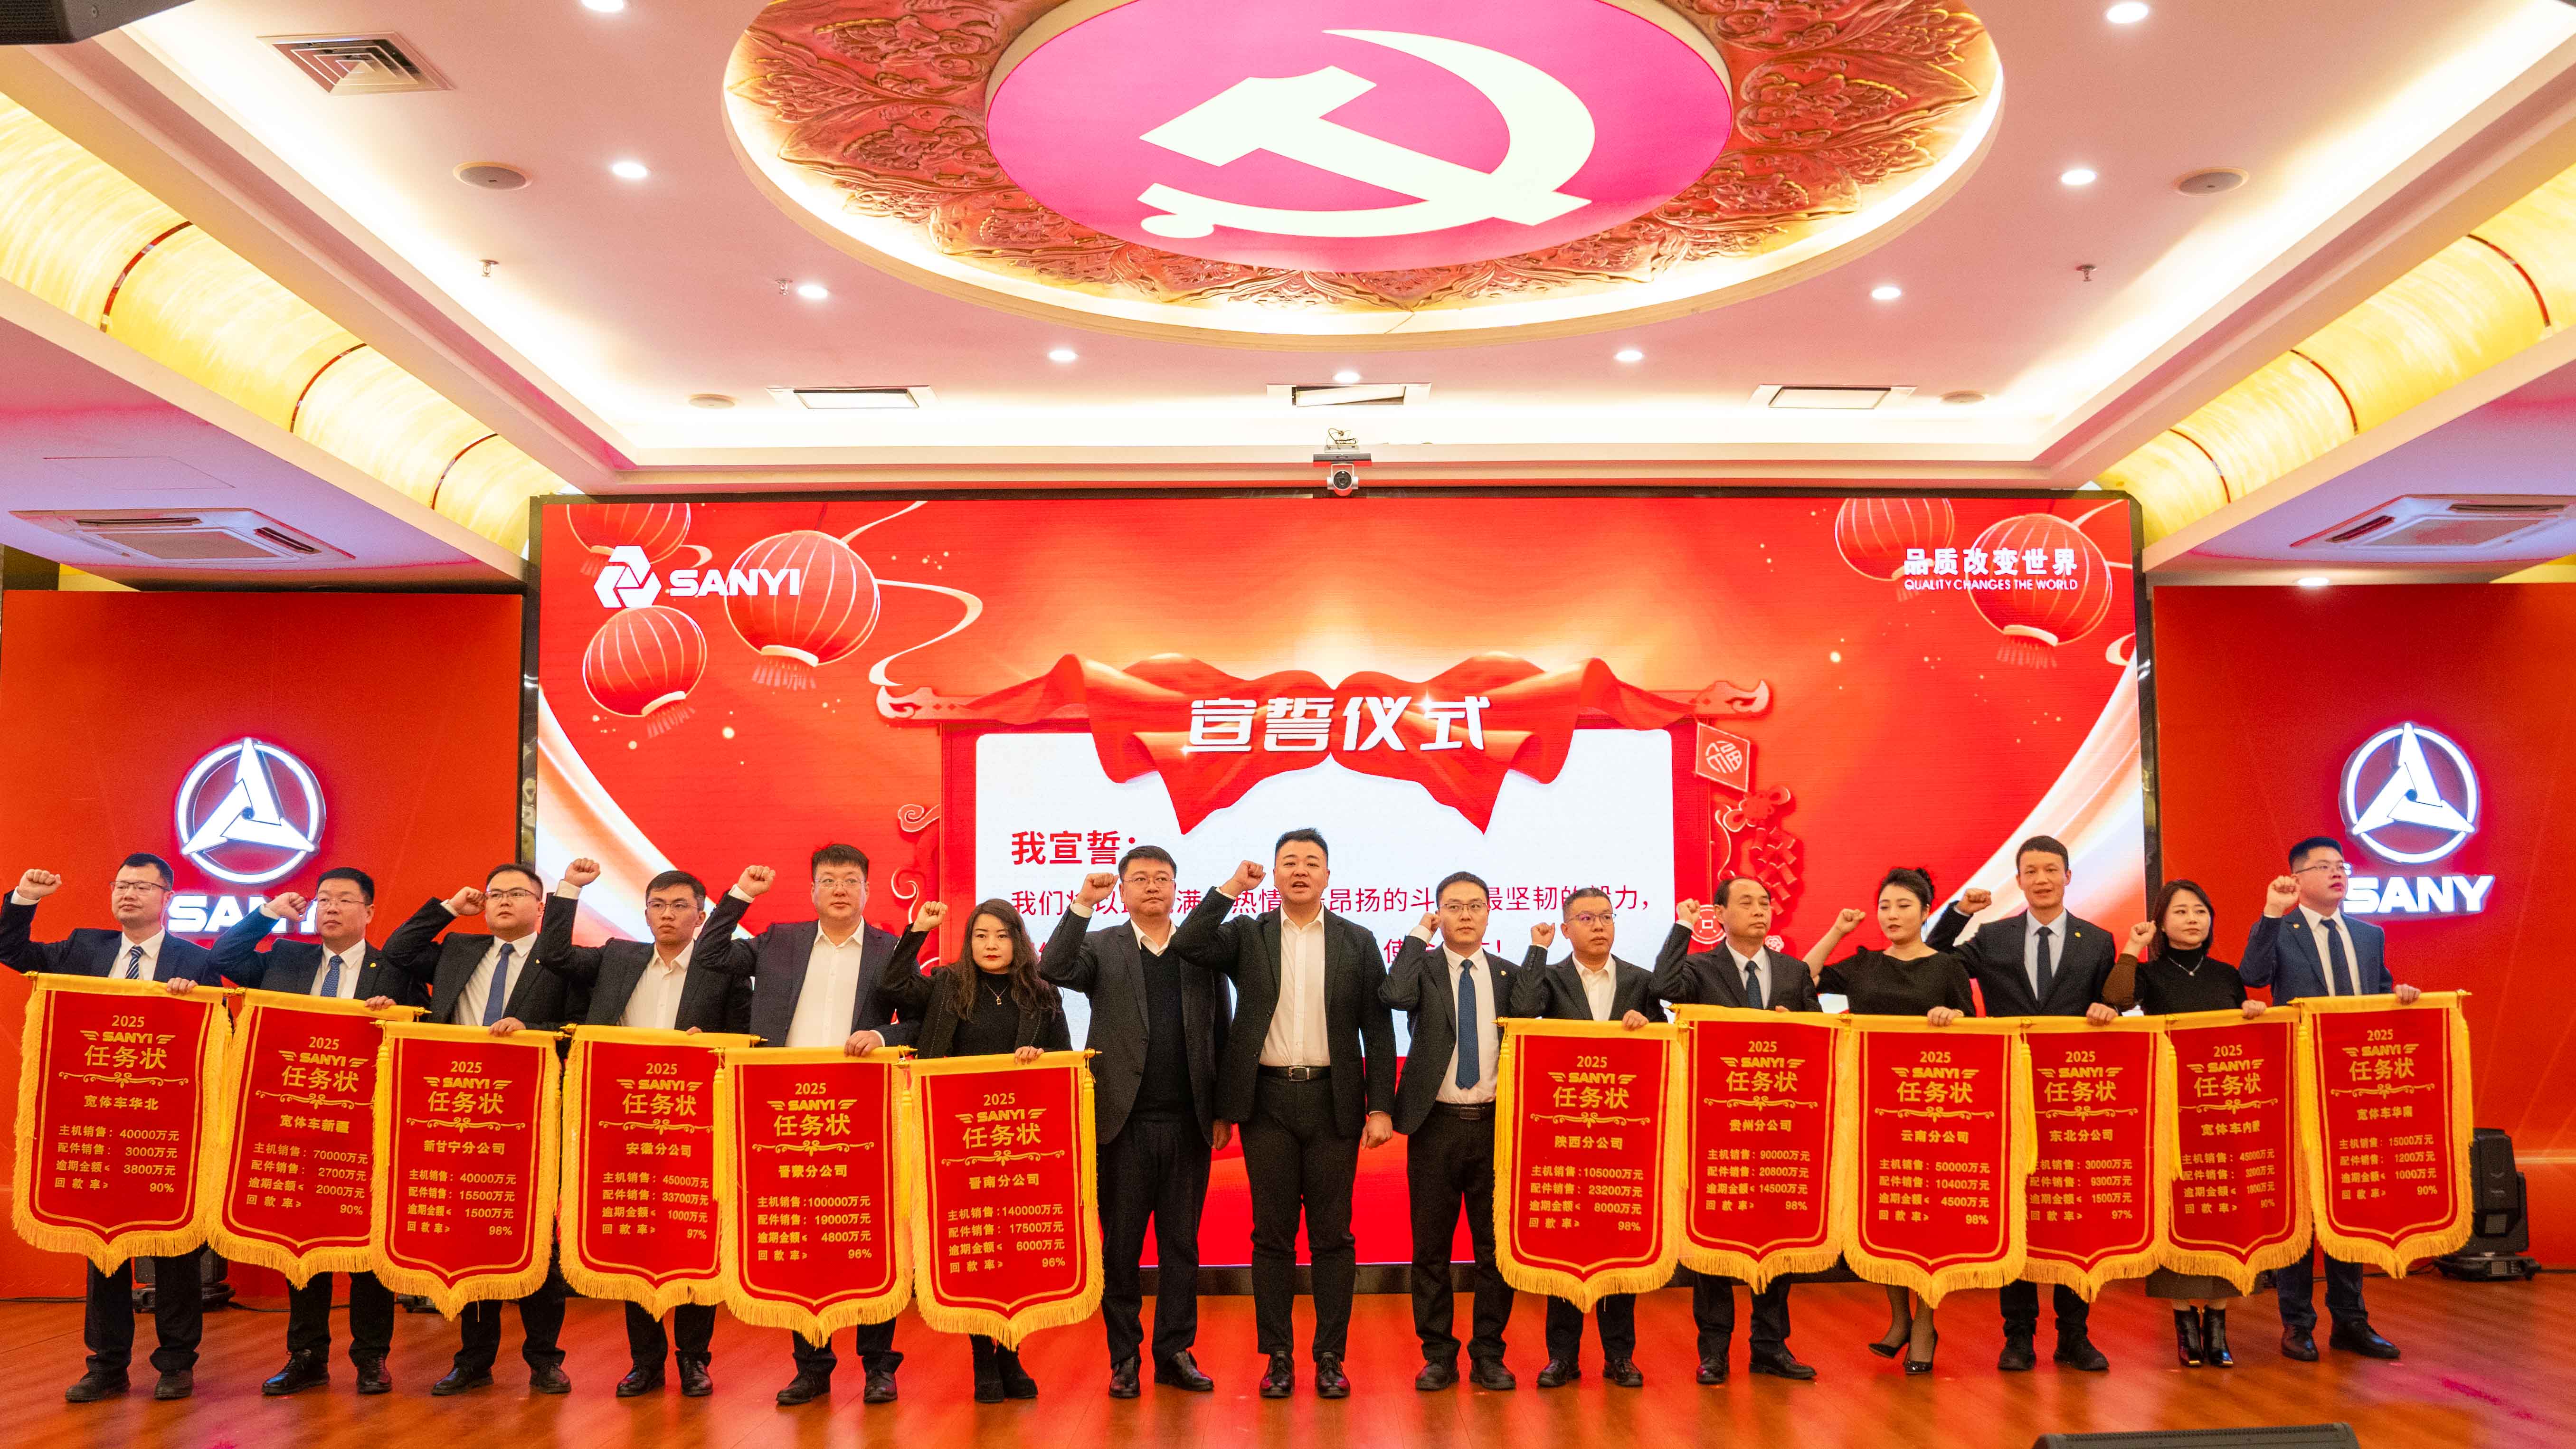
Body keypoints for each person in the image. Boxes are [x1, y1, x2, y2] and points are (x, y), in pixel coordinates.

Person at [1169, 829, 1397, 1400]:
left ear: (1328, 876)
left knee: (1332, 1236)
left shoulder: (1358, 940)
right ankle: (1277, 1356)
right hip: (1265, 1102)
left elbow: (1377, 1029)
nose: (1300, 870)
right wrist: (1230, 889)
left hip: (1334, 1102)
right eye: (1289, 862)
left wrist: (1380, 1107)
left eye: (1311, 862)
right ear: (1273, 875)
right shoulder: (1248, 934)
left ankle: (1330, 1356)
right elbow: (1190, 944)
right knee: (1272, 1236)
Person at [694, 844, 916, 1406]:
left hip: (861, 1111)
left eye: (851, 880)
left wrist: (883, 1036)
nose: (840, 889)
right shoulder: (778, 941)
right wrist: (741, 895)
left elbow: (923, 1017)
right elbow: (710, 955)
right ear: (813, 890)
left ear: (867, 891)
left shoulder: (891, 950)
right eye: (829, 880)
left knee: (870, 1236)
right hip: (783, 1112)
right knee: (802, 1237)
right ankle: (812, 1367)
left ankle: (878, 1367)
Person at [1, 856, 226, 1403]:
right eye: (121, 885)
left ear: (167, 897)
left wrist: (195, 1003)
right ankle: (106, 1365)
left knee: (175, 1248)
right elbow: (12, 951)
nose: (128, 894)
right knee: (104, 1249)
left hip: (167, 1129)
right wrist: (24, 899)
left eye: (141, 887)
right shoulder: (85, 948)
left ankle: (176, 1362)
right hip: (98, 1121)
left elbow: (221, 1036)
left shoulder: (194, 961)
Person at [534, 860, 751, 1399]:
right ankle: (645, 1362)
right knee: (637, 1237)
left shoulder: (723, 971)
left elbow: (749, 1039)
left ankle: (694, 1360)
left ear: (701, 917)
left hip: (695, 1127)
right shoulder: (619, 956)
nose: (667, 914)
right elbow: (554, 955)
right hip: (623, 1123)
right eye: (658, 905)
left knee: (693, 1239)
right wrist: (570, 889)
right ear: (646, 913)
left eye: (680, 906)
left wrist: (714, 1045)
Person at [210, 867, 423, 1398]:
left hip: (365, 1131)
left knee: (366, 1251)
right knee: (303, 1246)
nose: (330, 907)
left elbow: (426, 1030)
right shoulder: (288, 959)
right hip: (297, 1126)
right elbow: (224, 959)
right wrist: (267, 914)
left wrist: (397, 1018)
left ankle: (371, 1357)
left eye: (345, 900)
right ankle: (306, 1357)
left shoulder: (393, 969)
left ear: (369, 912)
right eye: (324, 898)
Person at [1038, 848, 1231, 1398]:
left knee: (1181, 1248)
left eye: (1162, 878)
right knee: (1121, 1249)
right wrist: (1083, 903)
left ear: (1176, 889)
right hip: (1121, 1127)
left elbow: (1221, 1029)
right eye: (1140, 879)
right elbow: (1053, 968)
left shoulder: (1199, 949)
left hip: (1189, 1125)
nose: (1151, 886)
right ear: (1122, 891)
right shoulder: (1103, 947)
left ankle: (1175, 1353)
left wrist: (1222, 1109)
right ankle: (1124, 1357)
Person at [383, 863, 578, 1396]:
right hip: (459, 1111)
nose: (504, 902)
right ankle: (473, 1359)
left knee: (537, 1238)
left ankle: (544, 1359)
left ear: (540, 906)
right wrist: (450, 908)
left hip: (529, 1115)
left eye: (517, 893)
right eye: (496, 894)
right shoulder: (460, 949)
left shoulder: (559, 959)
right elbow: (398, 950)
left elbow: (578, 1027)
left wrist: (531, 1030)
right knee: (470, 1236)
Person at [1927, 835, 2117, 1374]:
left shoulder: (2097, 940)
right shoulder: (1993, 936)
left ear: (2068, 876)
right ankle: (2018, 1336)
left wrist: (2109, 1008)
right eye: (2031, 871)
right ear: (2019, 880)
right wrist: (1960, 913)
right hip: (2008, 1090)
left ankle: (2075, 1335)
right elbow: (1935, 961)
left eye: (2051, 869)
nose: (2042, 879)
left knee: (2071, 1214)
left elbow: (2113, 1001)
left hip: (2073, 1098)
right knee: (2019, 1212)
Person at [876, 897, 1071, 1402]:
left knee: (1014, 1255)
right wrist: (918, 930)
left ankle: (1012, 1353)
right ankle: (984, 1357)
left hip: (1022, 1144)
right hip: (958, 1142)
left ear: (1018, 941)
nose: (991, 944)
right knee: (975, 1249)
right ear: (969, 942)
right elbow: (892, 986)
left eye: (1002, 935)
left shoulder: (1044, 993)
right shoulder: (947, 984)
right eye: (981, 935)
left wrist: (1041, 1058)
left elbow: (1066, 1062)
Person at [2241, 836, 2420, 1364]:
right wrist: (2271, 913)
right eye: (2324, 866)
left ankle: (2351, 1321)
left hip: (2355, 1091)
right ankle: (2297, 1324)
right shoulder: (2282, 929)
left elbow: (2377, 996)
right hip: (2299, 1085)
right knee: (2302, 1209)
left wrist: (2400, 997)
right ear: (2297, 878)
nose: (2338, 873)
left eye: (2342, 865)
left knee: (2350, 1203)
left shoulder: (2369, 934)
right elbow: (2253, 977)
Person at [1807, 866, 1977, 1376]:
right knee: (1885, 1216)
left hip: (1930, 1110)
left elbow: (1974, 1031)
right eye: (1885, 906)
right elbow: (1803, 977)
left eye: (1904, 905)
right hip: (1871, 1106)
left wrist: (1954, 1019)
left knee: (1926, 1222)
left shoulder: (1947, 966)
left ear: (1926, 912)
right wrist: (1838, 930)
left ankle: (1925, 1324)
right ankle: (1900, 1317)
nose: (1892, 915)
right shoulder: (1863, 964)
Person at [1652, 877, 1820, 1385]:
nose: (1759, 910)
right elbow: (1663, 987)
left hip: (1778, 1128)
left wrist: (1799, 1026)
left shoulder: (1793, 971)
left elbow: (1819, 1040)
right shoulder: (1701, 968)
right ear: (1720, 914)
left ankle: (1770, 1345)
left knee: (1777, 1235)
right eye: (1745, 903)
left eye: (1765, 902)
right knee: (1715, 1237)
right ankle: (1715, 1350)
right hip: (1716, 1127)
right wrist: (1683, 926)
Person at [2095, 879, 2269, 1368]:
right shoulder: (2150, 975)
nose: (2193, 919)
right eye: (2181, 912)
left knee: (2225, 1210)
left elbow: (2243, 1038)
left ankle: (2218, 1323)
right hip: (2173, 1109)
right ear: (2161, 923)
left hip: (2225, 1113)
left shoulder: (2227, 974)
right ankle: (2183, 1322)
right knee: (2179, 1212)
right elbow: (2116, 998)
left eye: (2200, 911)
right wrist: (2133, 947)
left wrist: (2252, 1013)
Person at [1382, 872, 1525, 1392]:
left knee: (1494, 1250)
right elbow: (1393, 994)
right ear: (1438, 913)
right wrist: (1418, 936)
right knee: (1431, 1249)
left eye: (1475, 905)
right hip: (1435, 1125)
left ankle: (1489, 1352)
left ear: (1489, 913)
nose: (1465, 915)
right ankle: (1438, 1353)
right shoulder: (1422, 970)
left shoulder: (1509, 975)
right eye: (1454, 906)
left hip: (1496, 1128)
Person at [1515, 886, 1659, 1389]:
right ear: (1566, 928)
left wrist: (1646, 1025)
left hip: (1623, 1135)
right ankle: (1562, 1356)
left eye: (1606, 916)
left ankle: (1620, 1355)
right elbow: (1524, 1009)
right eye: (1586, 918)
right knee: (1565, 1240)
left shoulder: (1640, 981)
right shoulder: (1551, 978)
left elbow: (1663, 1051)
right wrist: (1537, 950)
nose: (1599, 925)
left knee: (1619, 1242)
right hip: (1565, 1134)